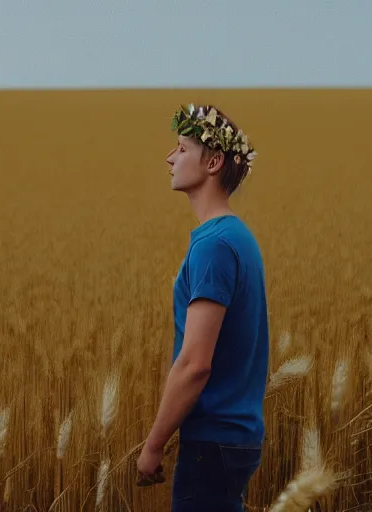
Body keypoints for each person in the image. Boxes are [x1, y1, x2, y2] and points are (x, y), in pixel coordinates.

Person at [136, 104, 269, 512]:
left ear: (213, 162)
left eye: (181, 148)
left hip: (213, 442)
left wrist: (153, 445)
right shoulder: (237, 236)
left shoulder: (213, 246)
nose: (170, 158)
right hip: (235, 436)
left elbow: (194, 363)